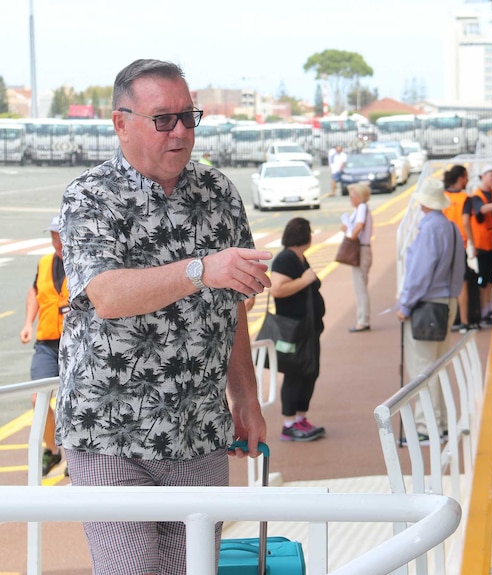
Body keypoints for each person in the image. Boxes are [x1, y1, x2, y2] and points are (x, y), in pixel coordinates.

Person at [57, 59, 272, 575]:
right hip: (110, 435)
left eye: (188, 117)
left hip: (199, 430)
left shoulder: (219, 193)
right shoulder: (89, 197)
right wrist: (202, 269)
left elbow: (234, 304)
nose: (180, 132)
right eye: (163, 119)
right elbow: (106, 295)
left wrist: (245, 396)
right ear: (120, 123)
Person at [398, 179, 466, 442]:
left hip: (426, 305)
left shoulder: (428, 230)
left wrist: (405, 305)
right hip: (448, 301)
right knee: (437, 365)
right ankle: (441, 422)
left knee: (422, 367)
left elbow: (419, 274)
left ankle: (427, 427)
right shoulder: (450, 227)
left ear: (423, 203)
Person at [269, 217, 327, 441]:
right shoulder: (285, 259)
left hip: (308, 328)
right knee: (296, 373)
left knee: (309, 371)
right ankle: (289, 423)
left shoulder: (300, 258)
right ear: (305, 236)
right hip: (293, 329)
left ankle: (301, 417)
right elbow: (277, 290)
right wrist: (304, 280)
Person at [19, 215, 67, 476]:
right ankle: (53, 450)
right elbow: (35, 291)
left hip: (74, 343)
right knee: (39, 397)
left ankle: (75, 454)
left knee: (71, 401)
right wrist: (28, 322)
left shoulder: (85, 261)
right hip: (47, 341)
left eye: (60, 237)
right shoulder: (45, 261)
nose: (56, 242)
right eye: (53, 237)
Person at [463, 165, 492, 325]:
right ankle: (482, 310)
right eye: (491, 176)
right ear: (483, 176)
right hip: (482, 243)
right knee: (483, 278)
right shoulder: (476, 196)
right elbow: (481, 210)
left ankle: (489, 309)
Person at [441, 164, 476, 331]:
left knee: (445, 282)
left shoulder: (442, 196)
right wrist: (472, 243)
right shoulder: (465, 198)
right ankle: (464, 321)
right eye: (466, 176)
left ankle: (449, 320)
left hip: (443, 244)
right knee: (462, 283)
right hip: (458, 243)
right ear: (461, 177)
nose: (467, 179)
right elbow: (465, 222)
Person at [342, 182, 373, 333]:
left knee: (360, 288)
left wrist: (350, 238)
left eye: (352, 195)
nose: (350, 198)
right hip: (363, 249)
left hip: (360, 249)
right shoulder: (361, 209)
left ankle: (363, 320)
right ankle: (362, 319)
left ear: (359, 197)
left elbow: (359, 226)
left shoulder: (361, 208)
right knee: (361, 286)